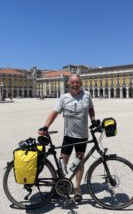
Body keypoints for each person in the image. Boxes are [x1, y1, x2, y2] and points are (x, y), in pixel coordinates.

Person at [38, 74, 95, 202]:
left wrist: (94, 121)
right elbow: (55, 112)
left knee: (79, 163)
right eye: (73, 82)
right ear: (69, 84)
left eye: (77, 82)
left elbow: (91, 109)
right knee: (63, 163)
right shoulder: (63, 98)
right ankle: (61, 186)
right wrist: (45, 126)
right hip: (68, 136)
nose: (75, 84)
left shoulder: (86, 95)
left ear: (81, 83)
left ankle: (78, 188)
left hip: (82, 136)